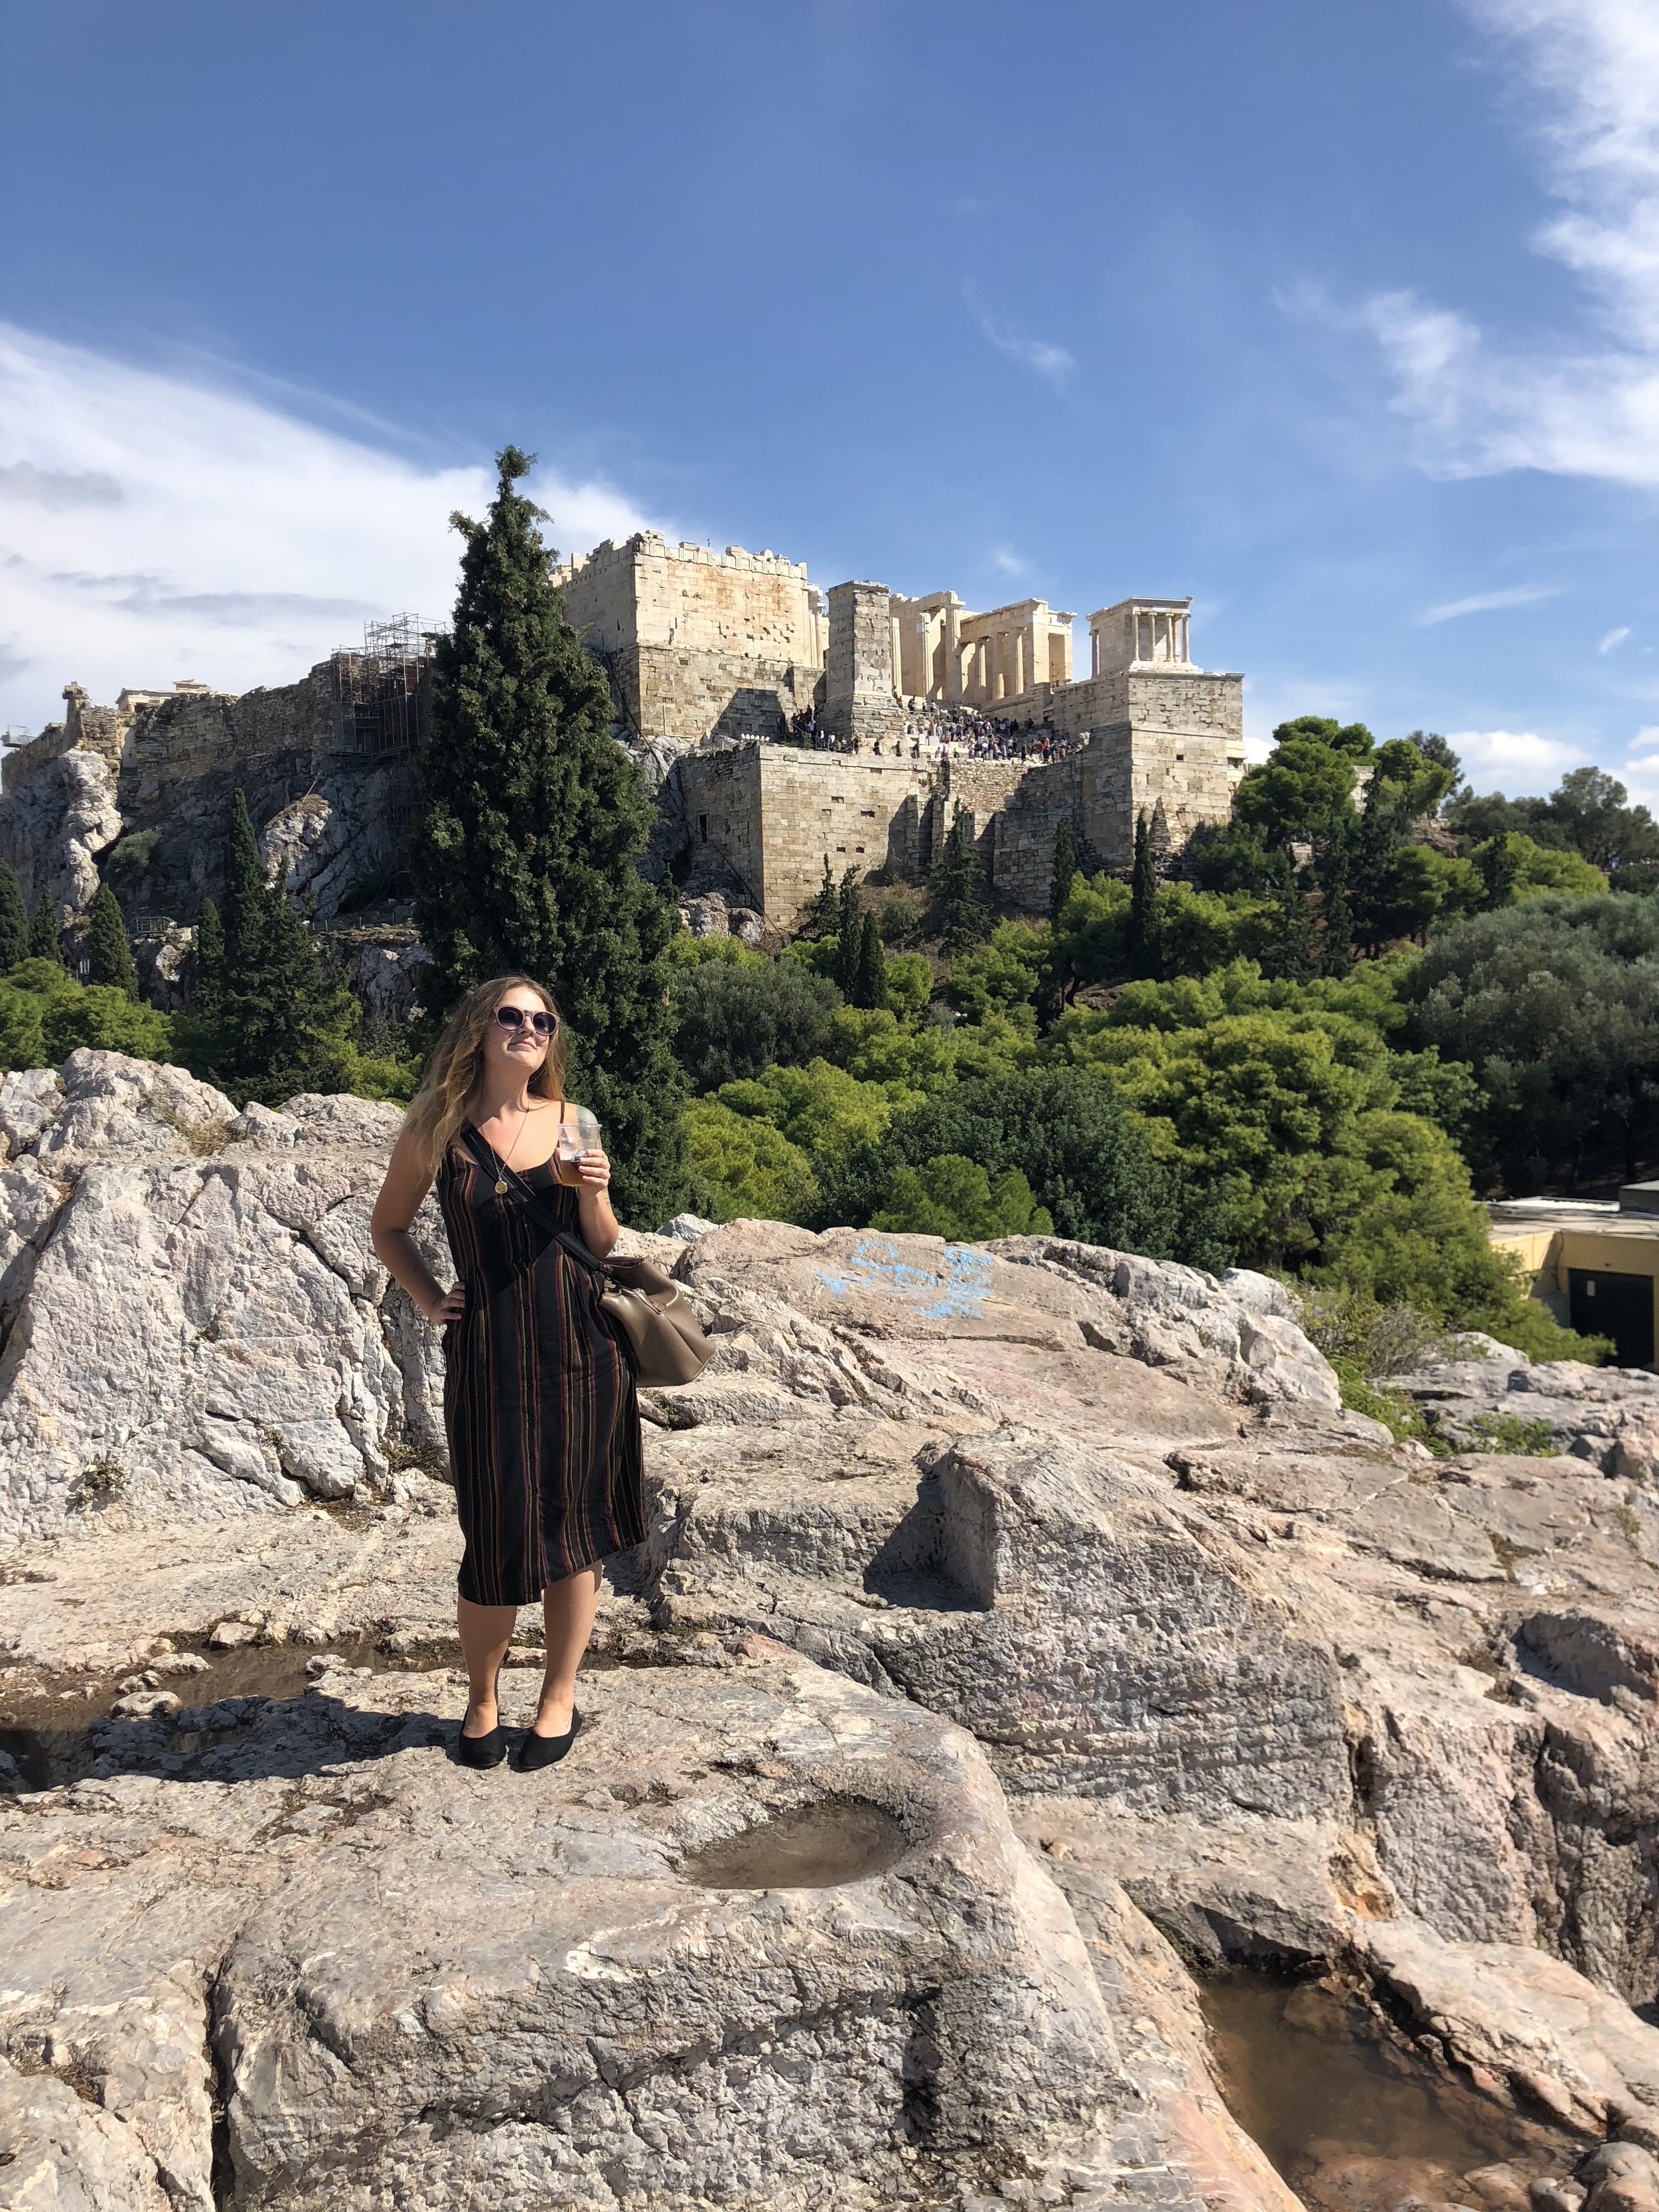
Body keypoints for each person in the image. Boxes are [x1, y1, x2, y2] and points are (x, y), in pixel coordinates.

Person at [370, 975, 642, 1773]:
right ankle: (482, 1699)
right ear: (480, 1030)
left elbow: (599, 1242)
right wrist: (428, 1297)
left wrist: (594, 1193)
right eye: (512, 1016)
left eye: (543, 1020)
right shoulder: (437, 1128)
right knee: (494, 1534)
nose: (529, 1028)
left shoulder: (573, 1120)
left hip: (583, 1349)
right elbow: (388, 1228)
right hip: (488, 1355)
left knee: (576, 1530)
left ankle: (558, 1697)